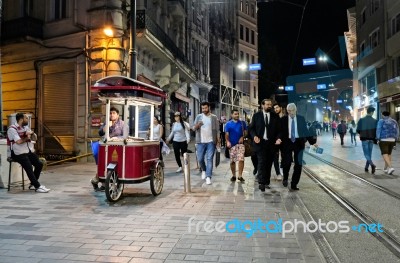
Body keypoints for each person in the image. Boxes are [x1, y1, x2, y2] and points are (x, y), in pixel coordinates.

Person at [7, 113, 49, 193]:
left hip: (27, 151)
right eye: (26, 118)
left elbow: (33, 135)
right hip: (17, 153)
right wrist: (27, 137)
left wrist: (31, 134)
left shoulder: (25, 127)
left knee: (39, 164)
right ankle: (38, 186)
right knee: (29, 166)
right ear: (21, 119)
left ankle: (33, 184)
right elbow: (18, 141)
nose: (28, 120)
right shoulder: (12, 129)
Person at [280, 103, 317, 191]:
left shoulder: (301, 119)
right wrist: (278, 139)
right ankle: (285, 177)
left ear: (296, 110)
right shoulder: (283, 119)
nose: (290, 112)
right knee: (287, 162)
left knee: (298, 164)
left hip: (298, 143)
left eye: (292, 110)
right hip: (287, 143)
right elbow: (280, 131)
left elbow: (305, 131)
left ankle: (294, 183)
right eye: (289, 111)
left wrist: (312, 143)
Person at [91, 106, 128, 190]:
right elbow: (100, 133)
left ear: (118, 115)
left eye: (114, 113)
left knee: (117, 164)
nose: (112, 115)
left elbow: (125, 135)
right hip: (106, 147)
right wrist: (106, 127)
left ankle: (105, 181)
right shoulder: (106, 123)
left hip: (118, 147)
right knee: (104, 165)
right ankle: (99, 181)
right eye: (110, 113)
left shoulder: (122, 124)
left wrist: (117, 138)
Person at [249, 98, 282, 192]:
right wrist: (254, 136)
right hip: (260, 143)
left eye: (270, 104)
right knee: (261, 161)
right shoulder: (256, 116)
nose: (269, 106)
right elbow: (251, 128)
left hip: (271, 144)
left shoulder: (275, 116)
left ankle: (267, 180)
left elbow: (279, 131)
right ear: (262, 105)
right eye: (267, 104)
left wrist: (279, 138)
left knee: (268, 163)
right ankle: (261, 182)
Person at [193, 102, 220, 185]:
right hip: (200, 142)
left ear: (209, 108)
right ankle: (204, 170)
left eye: (205, 108)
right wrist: (198, 125)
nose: (204, 110)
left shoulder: (214, 117)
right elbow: (193, 128)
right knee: (200, 159)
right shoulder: (199, 117)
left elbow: (217, 130)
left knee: (209, 159)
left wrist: (218, 141)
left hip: (211, 142)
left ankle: (208, 177)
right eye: (202, 108)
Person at [225, 109, 247, 182]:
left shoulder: (242, 123)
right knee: (232, 161)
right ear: (232, 115)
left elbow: (246, 132)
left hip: (240, 144)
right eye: (235, 114)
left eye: (238, 114)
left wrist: (242, 137)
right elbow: (227, 134)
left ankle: (240, 176)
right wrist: (227, 141)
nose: (237, 115)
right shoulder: (228, 124)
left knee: (241, 159)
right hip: (232, 145)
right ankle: (234, 175)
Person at [356, 106, 378, 173]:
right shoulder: (375, 121)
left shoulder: (361, 120)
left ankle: (372, 165)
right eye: (373, 112)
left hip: (364, 138)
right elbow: (376, 130)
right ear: (371, 112)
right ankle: (366, 167)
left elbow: (358, 130)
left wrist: (362, 133)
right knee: (369, 153)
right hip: (371, 139)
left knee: (366, 154)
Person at [272, 102, 285, 181]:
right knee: (275, 157)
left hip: (284, 141)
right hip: (275, 141)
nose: (276, 109)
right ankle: (278, 173)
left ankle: (282, 168)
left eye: (277, 107)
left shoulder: (285, 117)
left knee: (285, 157)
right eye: (274, 108)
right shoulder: (273, 118)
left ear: (280, 107)